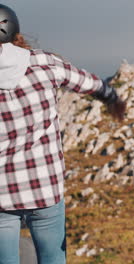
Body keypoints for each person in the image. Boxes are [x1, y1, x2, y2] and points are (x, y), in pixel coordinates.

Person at [0, 4, 125, 264]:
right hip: (44, 186)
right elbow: (90, 83)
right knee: (53, 259)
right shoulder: (43, 62)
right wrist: (112, 99)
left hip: (1, 193)